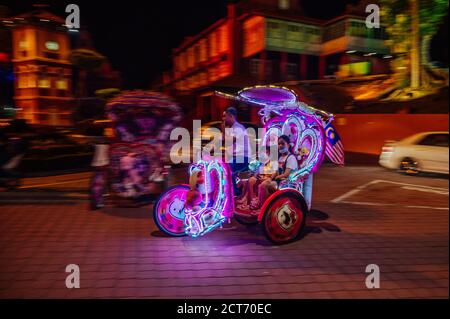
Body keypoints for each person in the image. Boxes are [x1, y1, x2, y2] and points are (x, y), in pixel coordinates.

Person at [254, 135, 298, 209]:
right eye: (279, 144)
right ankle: (263, 205)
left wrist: (273, 179)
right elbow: (276, 171)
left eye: (282, 143)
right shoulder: (280, 157)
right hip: (278, 180)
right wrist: (270, 178)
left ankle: (263, 207)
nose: (280, 146)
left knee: (264, 185)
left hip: (285, 182)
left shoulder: (291, 158)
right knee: (260, 182)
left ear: (288, 144)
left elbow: (286, 174)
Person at [222, 106, 251, 196]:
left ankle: (235, 193)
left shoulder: (238, 127)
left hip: (243, 157)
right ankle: (234, 191)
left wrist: (223, 129)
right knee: (223, 165)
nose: (223, 119)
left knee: (226, 169)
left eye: (225, 116)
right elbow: (222, 141)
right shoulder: (232, 128)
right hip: (237, 157)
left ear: (231, 116)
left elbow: (229, 141)